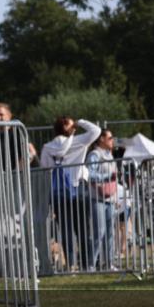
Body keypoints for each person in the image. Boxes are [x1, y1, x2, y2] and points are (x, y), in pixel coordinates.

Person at [39, 116, 101, 270]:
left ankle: (71, 265)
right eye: (70, 122)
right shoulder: (78, 140)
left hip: (59, 191)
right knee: (83, 229)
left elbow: (45, 168)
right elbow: (96, 131)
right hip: (78, 186)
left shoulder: (47, 147)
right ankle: (87, 265)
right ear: (67, 126)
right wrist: (80, 121)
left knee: (65, 229)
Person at [86, 129, 118, 271]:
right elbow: (90, 174)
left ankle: (109, 263)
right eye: (110, 137)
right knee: (99, 232)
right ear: (101, 139)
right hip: (97, 199)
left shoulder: (109, 155)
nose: (112, 140)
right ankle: (91, 265)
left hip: (110, 199)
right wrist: (106, 177)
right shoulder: (94, 155)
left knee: (110, 232)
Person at [0, 102, 38, 169]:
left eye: (1, 115)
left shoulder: (18, 130)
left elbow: (31, 152)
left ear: (9, 115)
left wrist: (17, 172)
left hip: (25, 175)